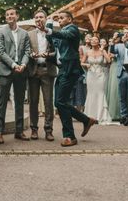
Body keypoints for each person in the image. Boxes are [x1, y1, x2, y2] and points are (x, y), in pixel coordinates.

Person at [41, 11, 96, 146]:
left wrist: (48, 28)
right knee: (59, 102)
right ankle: (86, 120)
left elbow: (61, 34)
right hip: (62, 70)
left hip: (70, 70)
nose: (59, 20)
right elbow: (52, 40)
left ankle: (70, 136)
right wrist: (49, 22)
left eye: (62, 18)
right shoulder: (61, 33)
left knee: (60, 102)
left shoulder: (72, 29)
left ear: (70, 19)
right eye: (58, 18)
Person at [0, 7, 31, 143]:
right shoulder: (0, 31)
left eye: (12, 14)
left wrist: (23, 64)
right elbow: (0, 51)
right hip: (5, 70)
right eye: (7, 15)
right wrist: (14, 65)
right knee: (2, 102)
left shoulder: (24, 33)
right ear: (6, 18)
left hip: (21, 70)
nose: (10, 16)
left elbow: (27, 51)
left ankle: (19, 131)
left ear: (17, 16)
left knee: (20, 101)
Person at [27, 9, 57, 140]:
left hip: (47, 70)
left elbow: (57, 51)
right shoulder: (29, 34)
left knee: (48, 102)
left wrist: (48, 55)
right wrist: (30, 54)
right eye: (36, 17)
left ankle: (48, 130)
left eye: (41, 17)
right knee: (33, 102)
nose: (39, 19)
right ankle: (34, 129)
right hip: (33, 70)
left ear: (46, 19)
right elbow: (25, 49)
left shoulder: (52, 33)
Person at [81, 35, 112, 124]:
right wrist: (86, 65)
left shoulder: (103, 51)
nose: (93, 41)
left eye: (95, 40)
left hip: (100, 75)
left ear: (98, 42)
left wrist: (103, 51)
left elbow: (109, 61)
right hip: (90, 75)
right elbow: (82, 62)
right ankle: (90, 116)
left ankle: (100, 116)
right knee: (91, 93)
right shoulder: (87, 52)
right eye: (92, 40)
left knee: (100, 93)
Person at [105, 34, 121, 121]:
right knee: (113, 90)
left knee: (118, 90)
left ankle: (120, 112)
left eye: (118, 37)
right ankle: (114, 113)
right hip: (114, 67)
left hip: (119, 66)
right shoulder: (112, 46)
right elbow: (109, 57)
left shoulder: (123, 45)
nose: (116, 39)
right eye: (115, 37)